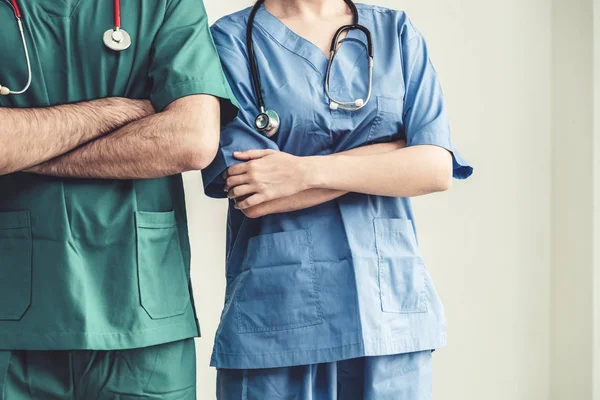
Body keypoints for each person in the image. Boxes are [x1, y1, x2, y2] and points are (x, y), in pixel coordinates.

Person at [203, 0, 473, 398]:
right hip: (277, 313)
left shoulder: (394, 32)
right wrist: (392, 154)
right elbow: (252, 189)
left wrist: (302, 172)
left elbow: (433, 168)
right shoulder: (230, 40)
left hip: (388, 315)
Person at [0, 0, 236, 398]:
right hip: (13, 322)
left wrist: (26, 150)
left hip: (142, 315)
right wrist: (109, 113)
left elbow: (191, 140)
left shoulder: (165, 4)